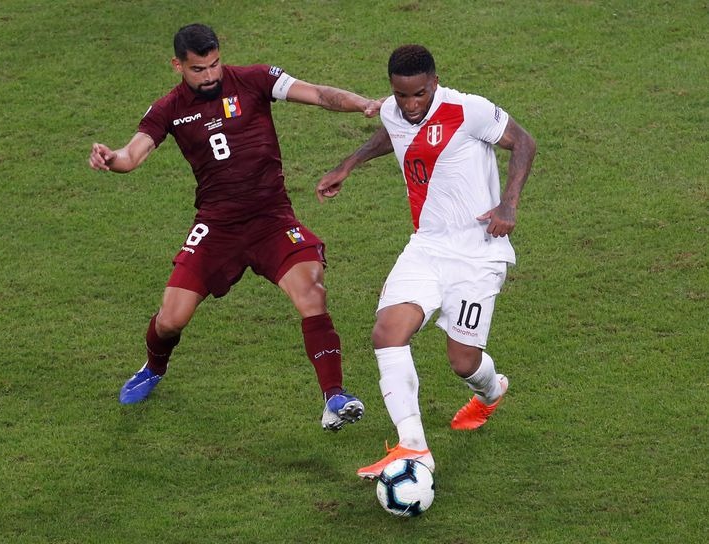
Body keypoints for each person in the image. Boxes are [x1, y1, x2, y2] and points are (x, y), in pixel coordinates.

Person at [88, 23, 381, 431]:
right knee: (171, 319)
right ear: (177, 65)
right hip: (217, 226)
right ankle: (154, 368)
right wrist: (110, 158)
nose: (209, 76)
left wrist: (365, 103)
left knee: (312, 292)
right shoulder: (168, 108)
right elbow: (133, 155)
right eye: (198, 69)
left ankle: (334, 397)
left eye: (214, 64)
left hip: (271, 218)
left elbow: (316, 94)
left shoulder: (255, 80)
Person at [316, 44, 536, 476]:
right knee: (387, 332)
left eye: (419, 94)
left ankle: (492, 392)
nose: (411, 105)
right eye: (402, 96)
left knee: (463, 362)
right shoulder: (394, 112)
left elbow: (524, 142)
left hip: (478, 254)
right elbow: (393, 131)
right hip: (427, 247)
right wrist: (350, 163)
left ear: (435, 81)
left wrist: (508, 205)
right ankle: (413, 446)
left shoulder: (468, 109)